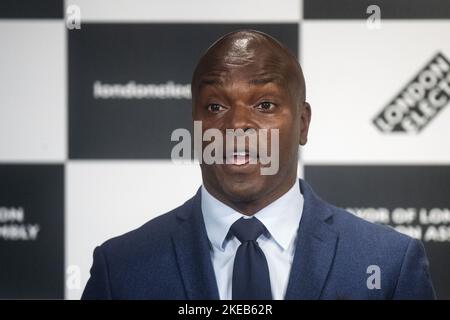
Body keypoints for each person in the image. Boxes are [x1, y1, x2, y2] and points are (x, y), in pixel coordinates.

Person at [82, 30, 435, 300]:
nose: (236, 126)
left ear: (303, 123)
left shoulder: (389, 264)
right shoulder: (121, 269)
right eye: (215, 107)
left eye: (264, 105)